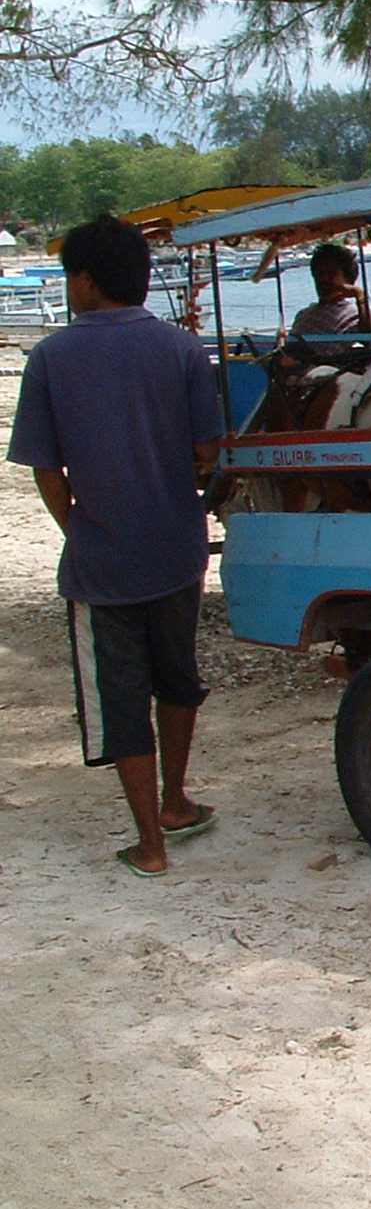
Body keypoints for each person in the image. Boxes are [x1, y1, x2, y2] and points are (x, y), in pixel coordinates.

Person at [6, 214, 225, 877]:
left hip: (102, 562)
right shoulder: (184, 350)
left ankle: (150, 847)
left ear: (84, 280)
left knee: (121, 698)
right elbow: (207, 451)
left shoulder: (50, 358)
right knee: (177, 678)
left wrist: (78, 527)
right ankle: (176, 800)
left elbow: (48, 469)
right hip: (177, 548)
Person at [290, 240, 371, 337]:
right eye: (320, 273)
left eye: (331, 274)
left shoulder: (353, 315)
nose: (323, 279)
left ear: (348, 280)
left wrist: (360, 296)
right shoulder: (303, 314)